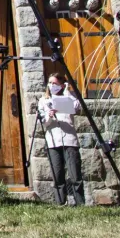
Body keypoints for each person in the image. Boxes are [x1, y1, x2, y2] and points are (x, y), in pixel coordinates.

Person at [38, 72, 85, 206]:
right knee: (57, 175)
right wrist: (49, 115)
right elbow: (44, 122)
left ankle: (80, 203)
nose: (52, 85)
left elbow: (77, 106)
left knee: (75, 174)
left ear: (62, 85)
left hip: (69, 140)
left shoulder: (68, 97)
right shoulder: (43, 100)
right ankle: (60, 202)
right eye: (50, 83)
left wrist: (67, 91)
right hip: (53, 141)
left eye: (55, 83)